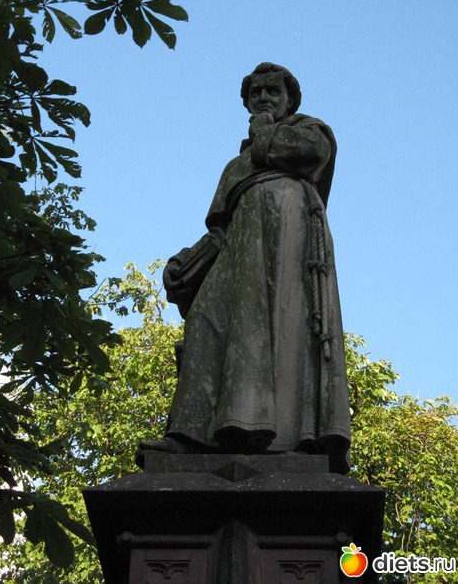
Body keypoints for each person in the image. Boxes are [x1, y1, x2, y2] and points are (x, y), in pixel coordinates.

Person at [139, 63, 351, 474]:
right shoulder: (235, 167)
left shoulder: (311, 131)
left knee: (286, 328)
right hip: (240, 251)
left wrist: (263, 131)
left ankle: (285, 436)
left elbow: (305, 156)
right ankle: (189, 434)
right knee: (205, 318)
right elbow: (219, 231)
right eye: (256, 93)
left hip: (288, 240)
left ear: (290, 100)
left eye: (273, 91)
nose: (264, 98)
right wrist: (188, 263)